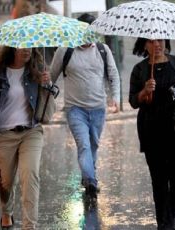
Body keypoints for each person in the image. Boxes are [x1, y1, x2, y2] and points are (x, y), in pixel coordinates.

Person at [0, 46, 50, 230]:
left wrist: (45, 84)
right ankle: (6, 212)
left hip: (30, 132)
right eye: (22, 48)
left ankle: (29, 226)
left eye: (30, 47)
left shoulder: (36, 69)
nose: (27, 51)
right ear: (12, 49)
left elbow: (47, 99)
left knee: (30, 175)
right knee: (7, 181)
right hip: (4, 136)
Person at [49, 13, 120, 199]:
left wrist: (116, 98)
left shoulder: (103, 50)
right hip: (75, 109)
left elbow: (113, 74)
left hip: (98, 108)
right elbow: (51, 77)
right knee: (84, 146)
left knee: (94, 145)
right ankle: (91, 180)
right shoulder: (65, 51)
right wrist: (44, 87)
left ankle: (88, 176)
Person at [128, 38, 175, 230]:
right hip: (151, 130)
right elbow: (133, 101)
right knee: (159, 179)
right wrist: (144, 91)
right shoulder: (140, 69)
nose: (156, 44)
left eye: (160, 40)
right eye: (150, 42)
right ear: (144, 45)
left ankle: (173, 213)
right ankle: (164, 223)